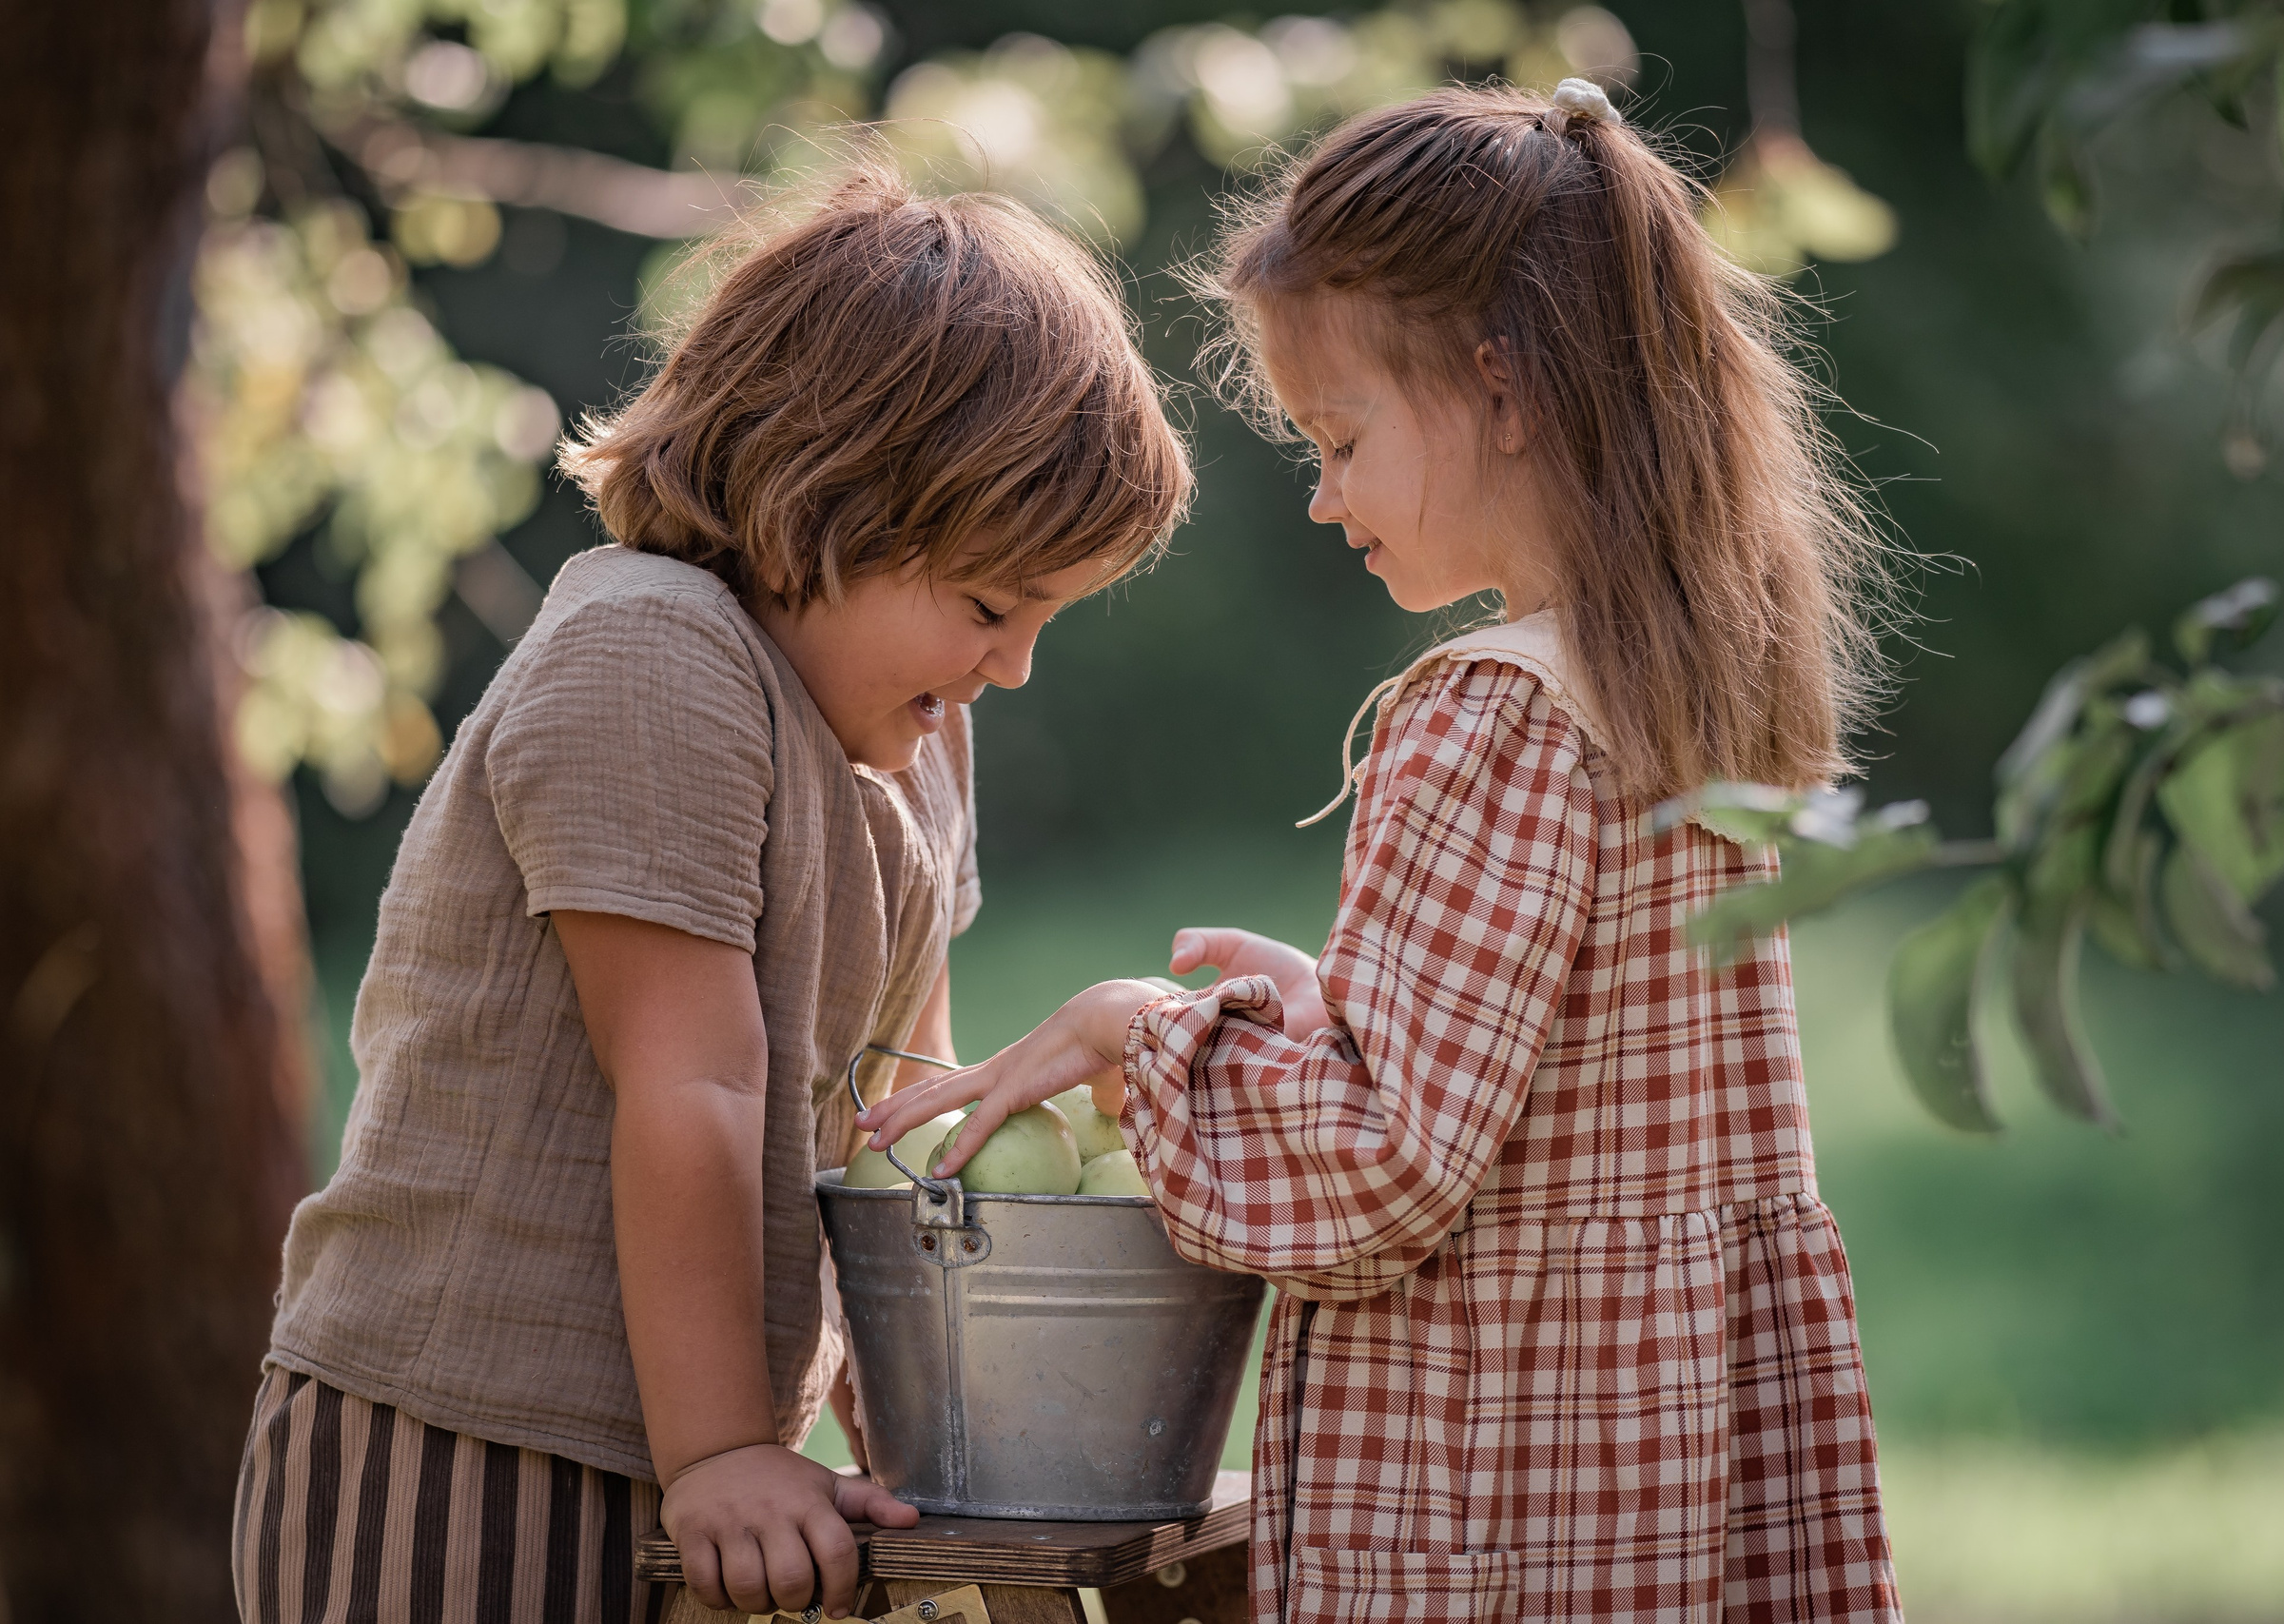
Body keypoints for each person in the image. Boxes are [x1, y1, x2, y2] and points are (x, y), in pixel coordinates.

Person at [860, 83, 1902, 1622]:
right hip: (1663, 1459)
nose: (1323, 493)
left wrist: (1138, 1041)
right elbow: (1523, 1084)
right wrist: (1337, 1018)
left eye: (1340, 437)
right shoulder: (1678, 693)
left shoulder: (1490, 714)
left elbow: (1388, 1166)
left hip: (1510, 1488)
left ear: (1506, 388)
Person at [231, 166, 1191, 1624]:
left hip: (695, 1463)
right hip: (467, 1442)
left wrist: (908, 1349)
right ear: (828, 501)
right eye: (993, 608)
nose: (1015, 665)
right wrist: (728, 1444)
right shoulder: (653, 654)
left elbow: (895, 1092)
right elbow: (692, 1080)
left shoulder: (910, 729)